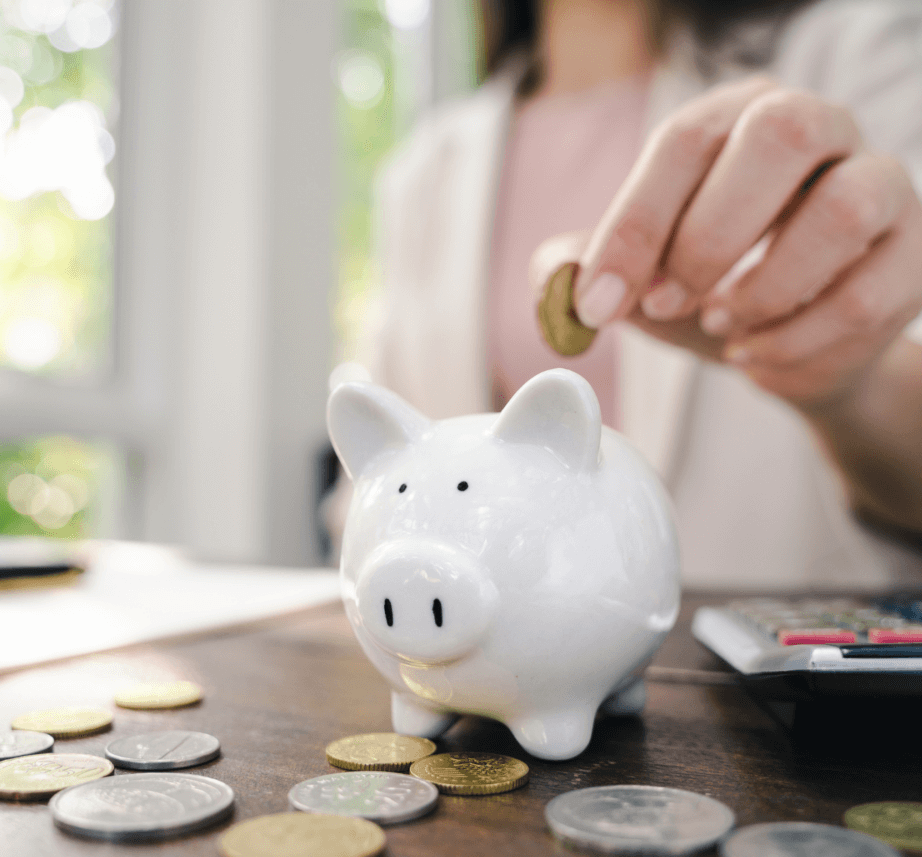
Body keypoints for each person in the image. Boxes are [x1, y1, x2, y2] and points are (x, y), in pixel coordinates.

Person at [344, 0, 922, 589]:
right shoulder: (427, 167)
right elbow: (375, 486)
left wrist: (849, 385)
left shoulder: (856, 51)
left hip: (763, 666)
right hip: (495, 669)